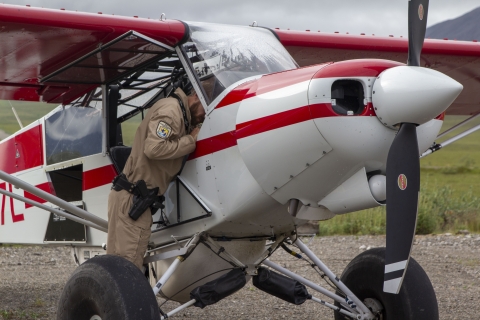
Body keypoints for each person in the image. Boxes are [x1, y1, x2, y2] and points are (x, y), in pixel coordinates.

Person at [106, 86, 205, 270]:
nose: (203, 117)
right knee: (128, 269)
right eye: (205, 110)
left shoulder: (178, 113)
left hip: (132, 198)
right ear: (198, 97)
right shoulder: (171, 111)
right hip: (133, 201)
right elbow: (153, 148)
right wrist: (191, 140)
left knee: (117, 270)